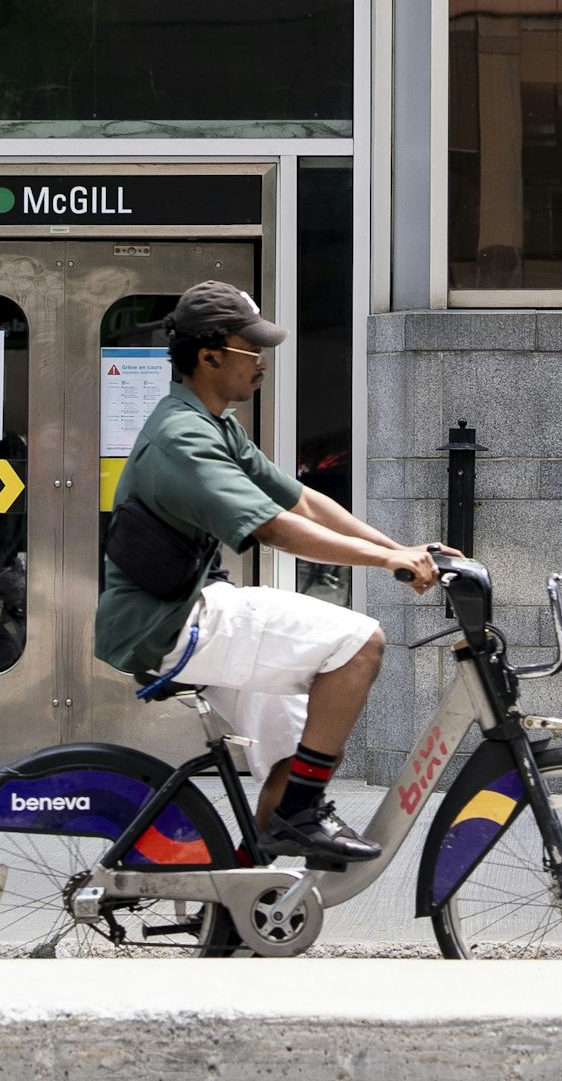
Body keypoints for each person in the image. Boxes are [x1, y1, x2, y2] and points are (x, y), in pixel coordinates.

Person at [94, 281, 450, 863]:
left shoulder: (217, 425)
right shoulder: (182, 436)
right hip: (170, 621)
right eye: (250, 349)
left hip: (191, 609)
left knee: (295, 755)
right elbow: (276, 528)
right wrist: (388, 561)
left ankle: (243, 912)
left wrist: (402, 547)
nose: (262, 362)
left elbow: (302, 502)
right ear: (209, 356)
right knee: (361, 643)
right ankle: (299, 816)